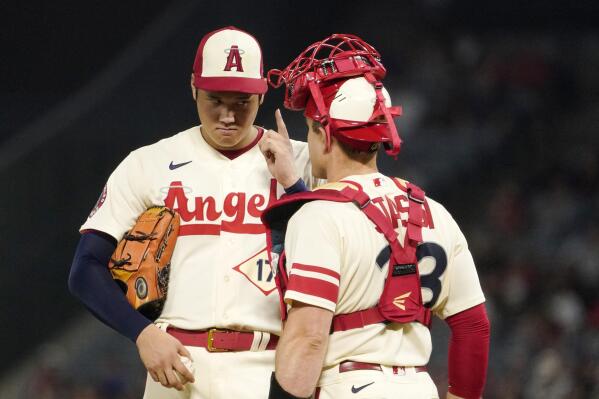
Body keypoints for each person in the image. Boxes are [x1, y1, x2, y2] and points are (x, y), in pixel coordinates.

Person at [68, 26, 318, 399]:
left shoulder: (301, 161)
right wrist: (142, 333)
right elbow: (84, 270)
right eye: (215, 99)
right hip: (178, 367)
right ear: (193, 88)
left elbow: (338, 263)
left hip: (271, 367)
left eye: (241, 102)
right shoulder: (149, 163)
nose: (228, 115)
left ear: (262, 96)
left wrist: (295, 187)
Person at [261, 34, 491, 399]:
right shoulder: (435, 211)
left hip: (348, 386)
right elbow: (473, 327)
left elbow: (308, 338)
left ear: (324, 135)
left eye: (310, 128)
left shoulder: (319, 217)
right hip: (418, 386)